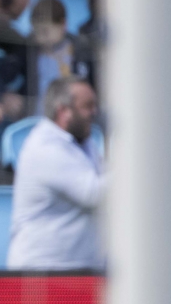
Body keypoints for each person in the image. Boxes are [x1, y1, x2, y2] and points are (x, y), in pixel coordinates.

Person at [7, 77, 104, 270]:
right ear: (63, 111)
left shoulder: (83, 143)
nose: (94, 112)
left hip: (75, 272)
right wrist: (140, 165)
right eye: (87, 106)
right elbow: (95, 193)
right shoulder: (45, 147)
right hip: (40, 275)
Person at [21, 0, 95, 116]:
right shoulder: (28, 50)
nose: (39, 39)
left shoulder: (82, 50)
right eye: (36, 32)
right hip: (36, 120)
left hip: (71, 122)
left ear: (63, 24)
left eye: (45, 32)